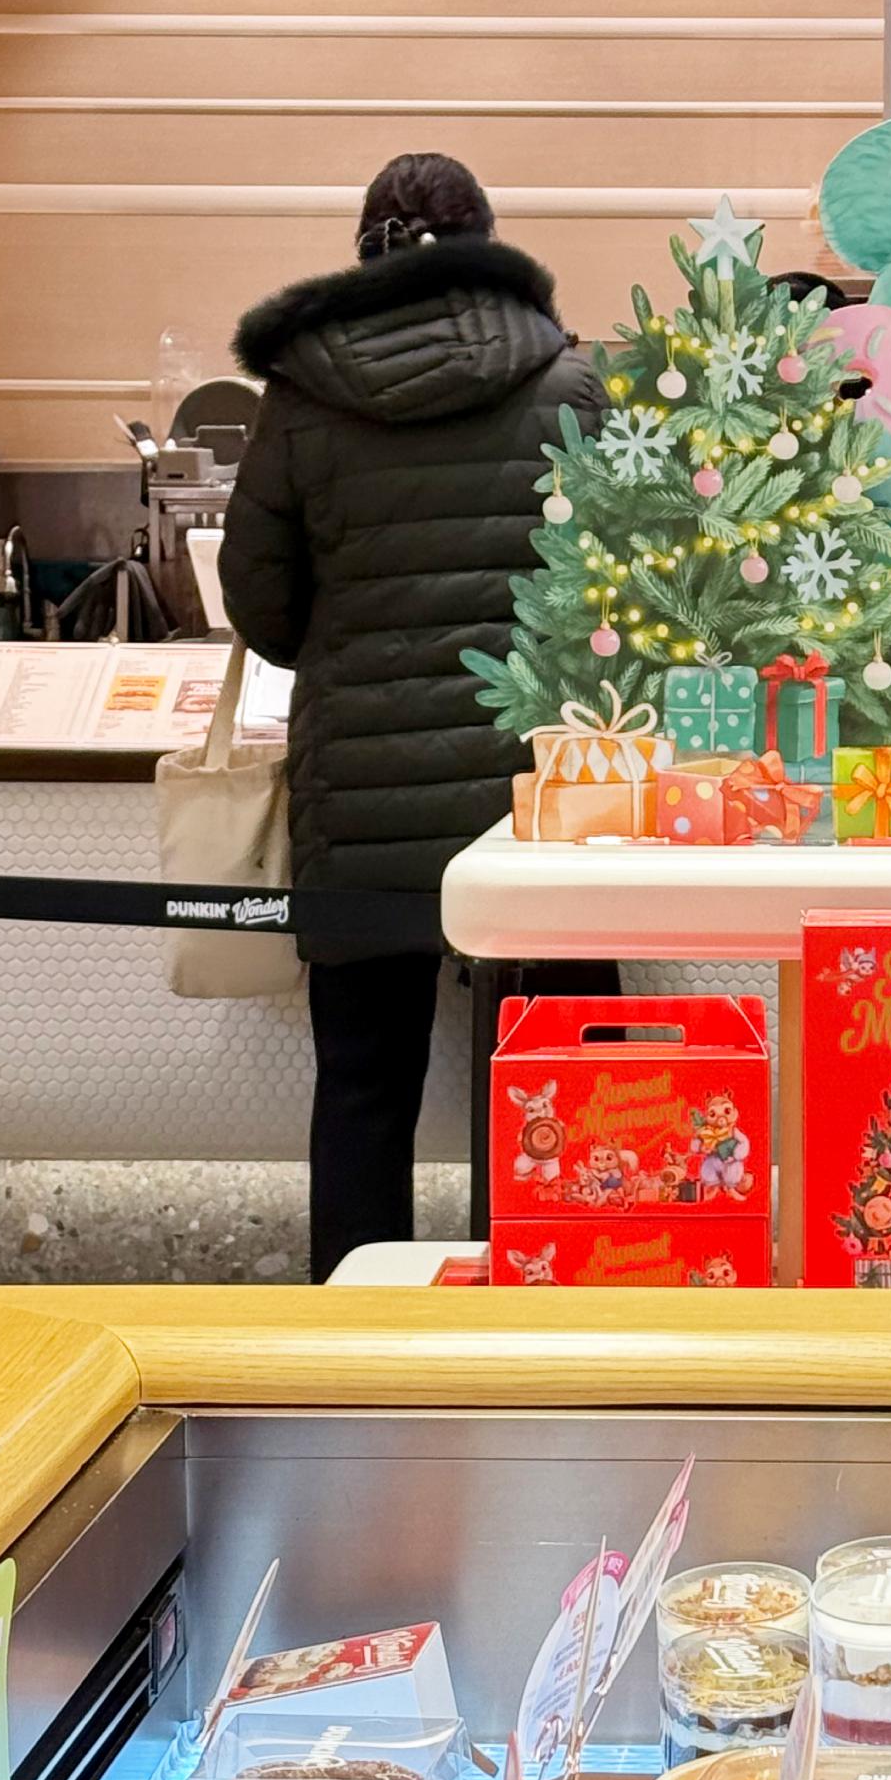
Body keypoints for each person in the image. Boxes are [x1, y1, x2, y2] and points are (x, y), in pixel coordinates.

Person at [222, 154, 606, 1281]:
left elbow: (260, 603)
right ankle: (540, 1320)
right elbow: (618, 590)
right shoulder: (568, 381)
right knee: (544, 1078)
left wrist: (353, 642)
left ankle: (358, 1335)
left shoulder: (302, 395)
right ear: (487, 242)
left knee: (363, 1086)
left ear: (364, 254)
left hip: (363, 795)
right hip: (534, 798)